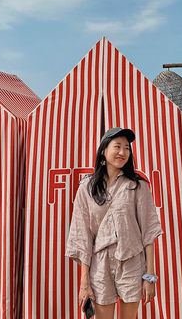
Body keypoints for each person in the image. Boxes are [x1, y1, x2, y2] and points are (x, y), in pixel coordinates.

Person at [66, 127, 163, 319]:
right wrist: (84, 282)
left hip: (132, 262)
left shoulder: (137, 185)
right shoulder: (86, 188)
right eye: (117, 146)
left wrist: (150, 277)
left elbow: (149, 233)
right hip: (99, 264)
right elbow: (81, 236)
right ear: (103, 150)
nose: (122, 152)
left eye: (127, 148)